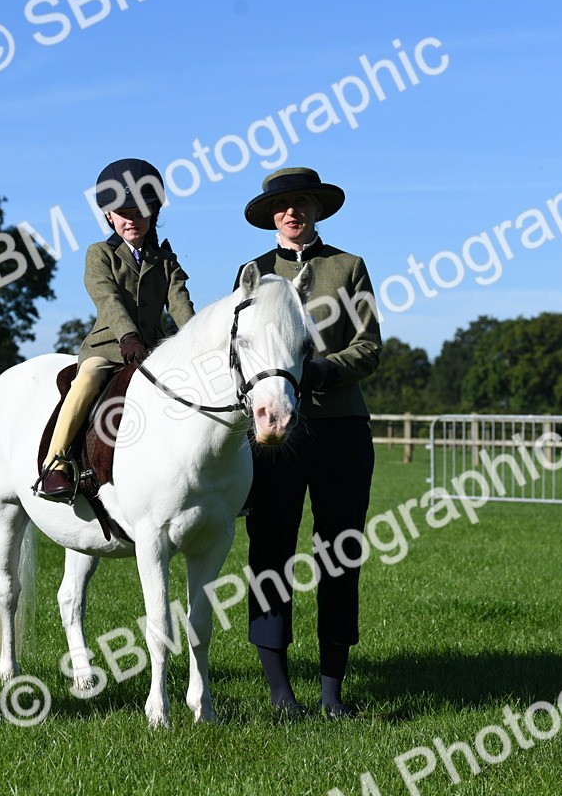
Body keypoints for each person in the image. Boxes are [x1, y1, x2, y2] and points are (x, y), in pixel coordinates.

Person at [232, 167, 382, 717]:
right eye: (283, 205)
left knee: (339, 554)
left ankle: (332, 692)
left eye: (302, 202)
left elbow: (368, 347)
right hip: (275, 434)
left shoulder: (349, 267)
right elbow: (237, 349)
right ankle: (280, 692)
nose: (292, 212)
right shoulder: (252, 275)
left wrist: (321, 370)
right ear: (272, 216)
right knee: (270, 552)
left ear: (317, 209)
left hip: (340, 428)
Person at [35, 158, 195, 501]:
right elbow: (107, 298)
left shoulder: (167, 262)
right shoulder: (99, 254)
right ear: (109, 216)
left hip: (154, 351)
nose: (131, 219)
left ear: (153, 212)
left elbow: (181, 305)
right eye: (122, 213)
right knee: (86, 381)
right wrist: (128, 336)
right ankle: (55, 464)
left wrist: (196, 340)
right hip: (108, 348)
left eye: (139, 211)